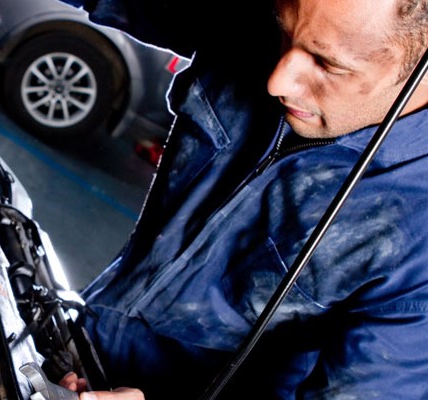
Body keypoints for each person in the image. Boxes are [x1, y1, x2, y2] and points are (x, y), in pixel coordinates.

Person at [62, 0, 428, 398]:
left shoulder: (418, 240)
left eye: (328, 65)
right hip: (74, 339)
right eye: (285, 33)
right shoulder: (258, 22)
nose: (278, 82)